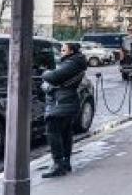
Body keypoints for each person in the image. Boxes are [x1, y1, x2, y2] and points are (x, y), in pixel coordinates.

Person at [41, 42, 88, 178]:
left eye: (63, 50)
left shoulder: (72, 63)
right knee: (65, 132)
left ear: (71, 51)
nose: (61, 52)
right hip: (66, 101)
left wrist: (45, 72)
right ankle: (65, 162)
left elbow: (53, 77)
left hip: (61, 102)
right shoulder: (75, 62)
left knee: (53, 132)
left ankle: (58, 164)